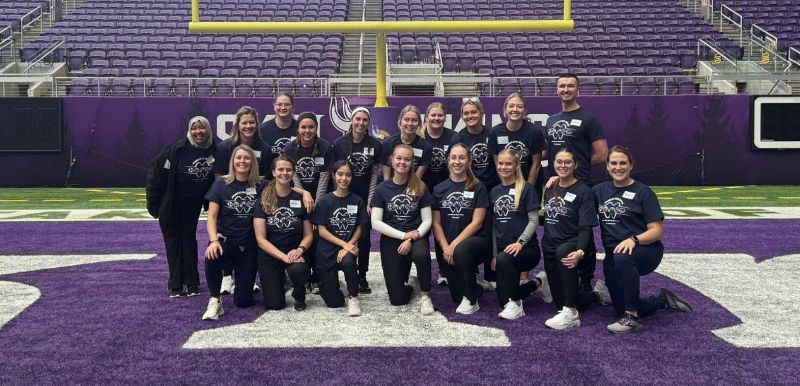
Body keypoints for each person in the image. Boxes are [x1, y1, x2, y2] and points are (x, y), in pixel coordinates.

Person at [594, 146, 693, 334]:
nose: (618, 167)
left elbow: (657, 231)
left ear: (631, 165)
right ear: (607, 167)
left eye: (623, 163)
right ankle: (663, 300)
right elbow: (578, 208)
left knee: (623, 257)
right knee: (619, 307)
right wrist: (557, 181)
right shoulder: (599, 191)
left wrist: (634, 240)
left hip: (645, 250)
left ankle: (632, 318)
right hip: (614, 255)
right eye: (613, 163)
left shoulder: (643, 192)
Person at [544, 73, 609, 293]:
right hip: (556, 184)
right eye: (562, 86)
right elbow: (547, 152)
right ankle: (561, 272)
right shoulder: (552, 120)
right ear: (557, 90)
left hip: (581, 184)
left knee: (584, 232)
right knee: (559, 227)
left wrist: (573, 170)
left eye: (570, 86)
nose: (566, 89)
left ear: (578, 89)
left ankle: (585, 278)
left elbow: (602, 154)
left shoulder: (589, 118)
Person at [146, 116, 216, 298]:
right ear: (189, 130)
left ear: (208, 129)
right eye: (195, 128)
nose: (198, 132)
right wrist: (153, 205)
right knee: (174, 243)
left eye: (202, 128)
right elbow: (155, 174)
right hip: (171, 206)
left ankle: (193, 285)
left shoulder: (215, 149)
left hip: (192, 207)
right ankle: (176, 285)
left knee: (189, 242)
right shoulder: (176, 149)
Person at [371, 144, 435, 314]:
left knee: (421, 254)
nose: (402, 162)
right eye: (399, 158)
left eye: (407, 159)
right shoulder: (382, 189)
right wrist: (403, 236)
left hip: (416, 236)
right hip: (393, 238)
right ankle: (410, 285)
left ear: (412, 162)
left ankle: (425, 296)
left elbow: (428, 219)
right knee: (397, 300)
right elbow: (375, 222)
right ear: (392, 161)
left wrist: (412, 237)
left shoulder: (420, 186)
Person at [540, 149, 599, 330]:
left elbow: (585, 227)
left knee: (563, 251)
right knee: (560, 303)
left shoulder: (584, 191)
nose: (562, 165)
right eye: (559, 161)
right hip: (550, 246)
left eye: (567, 162)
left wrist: (580, 251)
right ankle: (597, 295)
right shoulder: (550, 186)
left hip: (571, 245)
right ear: (554, 163)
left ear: (575, 165)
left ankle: (572, 313)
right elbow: (547, 216)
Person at [202, 145, 262, 320]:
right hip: (225, 241)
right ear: (232, 161)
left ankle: (242, 283)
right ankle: (215, 300)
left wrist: (303, 192)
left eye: (246, 158)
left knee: (243, 302)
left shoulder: (261, 184)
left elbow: (284, 188)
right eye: (239, 158)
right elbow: (212, 217)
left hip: (248, 246)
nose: (242, 161)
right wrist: (213, 241)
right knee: (212, 253)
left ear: (252, 162)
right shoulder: (221, 183)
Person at [431, 143, 492, 314]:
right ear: (448, 161)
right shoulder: (439, 189)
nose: (457, 162)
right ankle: (474, 283)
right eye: (454, 157)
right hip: (450, 248)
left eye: (462, 158)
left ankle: (472, 300)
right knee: (457, 296)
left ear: (469, 161)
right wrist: (445, 247)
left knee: (461, 250)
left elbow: (477, 222)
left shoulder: (477, 186)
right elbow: (436, 223)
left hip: (476, 242)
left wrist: (453, 245)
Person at [490, 149, 549, 320]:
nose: (504, 167)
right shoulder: (494, 191)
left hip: (526, 250)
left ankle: (516, 305)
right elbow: (494, 226)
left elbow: (534, 220)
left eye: (508, 163)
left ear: (516, 166)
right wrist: (494, 255)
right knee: (503, 300)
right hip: (503, 253)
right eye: (501, 163)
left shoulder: (526, 188)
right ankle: (538, 283)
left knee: (510, 297)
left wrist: (520, 242)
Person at [332, 106, 383, 294]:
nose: (360, 123)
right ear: (351, 121)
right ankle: (335, 273)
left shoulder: (375, 145)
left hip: (363, 200)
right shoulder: (339, 144)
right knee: (340, 234)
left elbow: (374, 176)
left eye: (364, 120)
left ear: (368, 123)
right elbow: (335, 173)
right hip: (342, 197)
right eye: (357, 119)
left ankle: (362, 275)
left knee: (364, 238)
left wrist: (370, 200)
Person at [253, 155, 313, 311]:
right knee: (275, 305)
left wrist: (299, 250)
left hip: (294, 250)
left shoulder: (301, 199)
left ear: (293, 172)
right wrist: (283, 257)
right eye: (280, 169)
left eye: (288, 170)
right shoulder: (263, 199)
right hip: (271, 254)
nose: (284, 173)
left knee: (298, 270)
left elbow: (308, 235)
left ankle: (299, 293)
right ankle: (275, 277)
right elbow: (260, 240)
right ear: (273, 172)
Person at [451, 98, 499, 289]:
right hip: (469, 190)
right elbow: (456, 167)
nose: (470, 116)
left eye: (474, 112)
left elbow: (498, 163)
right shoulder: (458, 138)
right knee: (468, 229)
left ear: (481, 113)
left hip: (491, 190)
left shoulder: (492, 134)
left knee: (489, 231)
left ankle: (491, 273)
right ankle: (473, 272)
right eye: (466, 113)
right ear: (462, 116)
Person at [310, 161, 369, 316]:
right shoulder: (324, 201)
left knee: (349, 262)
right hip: (327, 249)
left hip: (348, 246)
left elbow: (359, 228)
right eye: (340, 174)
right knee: (334, 303)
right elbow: (321, 231)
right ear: (333, 176)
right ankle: (338, 287)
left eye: (348, 175)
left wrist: (348, 246)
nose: (344, 178)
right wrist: (344, 245)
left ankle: (353, 297)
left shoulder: (357, 201)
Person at [284, 112, 333, 293]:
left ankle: (316, 277)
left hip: (320, 200)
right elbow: (292, 176)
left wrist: (316, 207)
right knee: (302, 235)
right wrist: (303, 196)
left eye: (311, 127)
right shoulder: (290, 148)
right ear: (298, 129)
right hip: (298, 198)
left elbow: (325, 178)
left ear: (316, 128)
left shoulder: (325, 147)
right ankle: (302, 278)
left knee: (319, 237)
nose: (307, 130)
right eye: (303, 127)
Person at [489, 93, 546, 186]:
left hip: (532, 184)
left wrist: (528, 189)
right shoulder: (495, 132)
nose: (515, 110)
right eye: (511, 106)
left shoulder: (534, 131)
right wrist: (506, 187)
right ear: (505, 109)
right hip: (506, 184)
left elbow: (536, 164)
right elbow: (497, 164)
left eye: (519, 106)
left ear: (524, 110)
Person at [381, 105, 432, 181]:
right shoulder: (387, 144)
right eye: (406, 119)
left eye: (414, 120)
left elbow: (416, 180)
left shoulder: (426, 147)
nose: (410, 123)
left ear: (419, 123)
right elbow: (386, 179)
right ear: (400, 121)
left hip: (413, 187)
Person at [260, 92, 298, 157]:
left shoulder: (300, 128)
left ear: (293, 107)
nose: (283, 107)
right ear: (274, 107)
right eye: (279, 104)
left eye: (287, 104)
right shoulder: (263, 129)